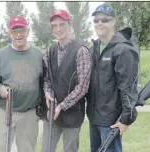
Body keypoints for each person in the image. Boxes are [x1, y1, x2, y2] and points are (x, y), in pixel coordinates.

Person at [0, 16, 43, 152]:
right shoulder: (0, 55)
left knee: (27, 149)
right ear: (9, 33)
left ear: (28, 31)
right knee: (0, 148)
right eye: (15, 31)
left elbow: (45, 82)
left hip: (29, 112)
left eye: (22, 30)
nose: (19, 35)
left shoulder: (38, 55)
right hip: (4, 110)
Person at [87, 4, 139, 152]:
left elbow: (128, 87)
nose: (100, 23)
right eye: (96, 20)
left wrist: (126, 119)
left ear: (113, 22)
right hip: (94, 118)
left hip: (111, 121)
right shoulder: (93, 49)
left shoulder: (123, 50)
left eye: (105, 19)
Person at [41, 9, 92, 152]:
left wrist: (61, 106)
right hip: (52, 113)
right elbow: (47, 79)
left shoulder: (81, 51)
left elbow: (82, 87)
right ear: (51, 30)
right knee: (46, 149)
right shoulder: (49, 52)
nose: (58, 29)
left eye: (62, 24)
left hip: (73, 115)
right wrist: (47, 92)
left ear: (70, 25)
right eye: (54, 26)